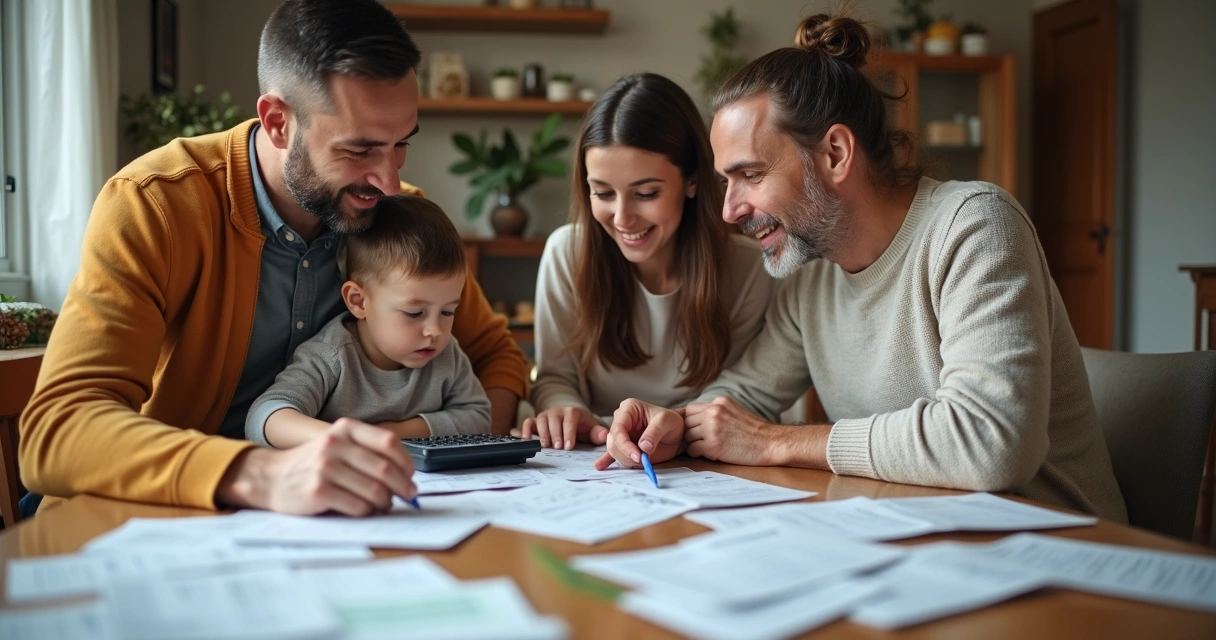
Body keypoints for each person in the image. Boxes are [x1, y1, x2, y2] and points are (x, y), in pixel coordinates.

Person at [597, 15, 1126, 522]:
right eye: (723, 182)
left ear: (834, 153)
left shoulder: (974, 226)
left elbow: (991, 442)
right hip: (924, 547)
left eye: (750, 175)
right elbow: (745, 397)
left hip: (1063, 560)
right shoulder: (811, 273)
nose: (729, 210)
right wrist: (672, 422)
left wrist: (775, 441)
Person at [20, 0, 528, 518]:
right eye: (359, 150)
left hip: (332, 520)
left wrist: (439, 445)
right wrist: (260, 474)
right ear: (278, 121)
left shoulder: (396, 220)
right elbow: (56, 432)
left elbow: (497, 359)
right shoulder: (155, 205)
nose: (390, 180)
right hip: (151, 516)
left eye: (401, 144)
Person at [519, 73, 774, 450]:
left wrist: (660, 430)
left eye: (646, 193)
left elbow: (735, 399)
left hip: (701, 460)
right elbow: (556, 378)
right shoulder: (566, 253)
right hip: (596, 456)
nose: (622, 218)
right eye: (602, 192)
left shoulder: (750, 268)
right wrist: (564, 409)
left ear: (691, 181)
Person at [246, 195, 490, 448]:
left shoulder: (446, 354)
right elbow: (264, 417)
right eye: (415, 313)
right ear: (359, 302)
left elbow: (478, 416)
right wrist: (343, 439)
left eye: (448, 312)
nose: (435, 330)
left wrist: (398, 433)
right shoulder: (331, 356)